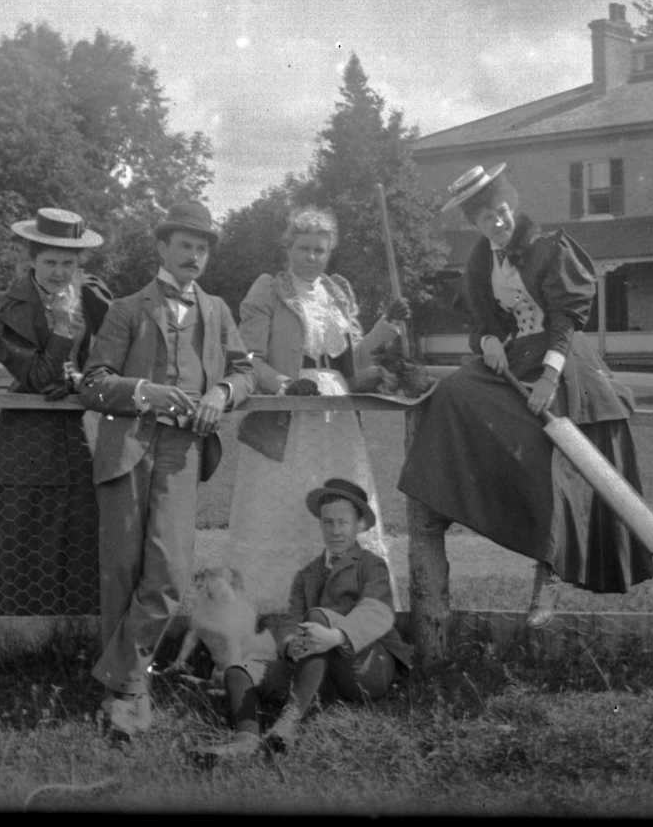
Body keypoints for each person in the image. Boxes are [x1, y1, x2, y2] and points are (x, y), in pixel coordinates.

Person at [398, 163, 653, 627]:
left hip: (563, 359)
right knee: (452, 392)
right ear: (475, 224)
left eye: (500, 212)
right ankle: (442, 500)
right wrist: (488, 342)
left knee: (548, 458)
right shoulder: (480, 260)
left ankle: (548, 576)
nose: (497, 223)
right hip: (514, 356)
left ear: (510, 203)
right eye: (485, 219)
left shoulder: (549, 248)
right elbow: (481, 320)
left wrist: (549, 379)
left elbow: (566, 320)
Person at [76, 201, 255, 738]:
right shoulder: (128, 308)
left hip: (184, 454)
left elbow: (245, 370)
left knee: (171, 575)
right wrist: (143, 390)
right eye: (185, 245)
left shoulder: (218, 310)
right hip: (126, 449)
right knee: (122, 574)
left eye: (202, 248)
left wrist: (222, 392)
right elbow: (92, 381)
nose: (194, 256)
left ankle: (122, 680)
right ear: (162, 248)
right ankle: (129, 697)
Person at [223, 205, 408, 612]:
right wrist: (286, 385)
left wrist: (386, 327)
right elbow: (247, 358)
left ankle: (344, 607)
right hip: (287, 411)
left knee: (337, 499)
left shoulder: (337, 292)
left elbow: (352, 362)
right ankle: (269, 609)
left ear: (330, 253)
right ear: (288, 248)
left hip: (337, 412)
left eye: (320, 250)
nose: (312, 257)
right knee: (285, 506)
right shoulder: (268, 289)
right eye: (304, 248)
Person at [194, 478, 413, 762]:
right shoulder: (307, 574)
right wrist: (288, 645)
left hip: (366, 667)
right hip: (315, 672)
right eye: (328, 522)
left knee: (316, 618)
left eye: (343, 523)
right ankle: (245, 738)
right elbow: (291, 620)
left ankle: (289, 723)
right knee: (239, 671)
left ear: (359, 524)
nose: (335, 531)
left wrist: (337, 637)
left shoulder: (372, 566)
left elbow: (377, 611)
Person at [0, 207, 111, 617]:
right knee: (18, 534)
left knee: (79, 529)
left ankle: (70, 636)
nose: (59, 272)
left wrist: (87, 375)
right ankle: (8, 637)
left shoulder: (93, 295)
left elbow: (116, 349)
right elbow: (36, 378)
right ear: (32, 259)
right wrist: (65, 329)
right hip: (24, 437)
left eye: (68, 263)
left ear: (80, 263)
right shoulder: (6, 307)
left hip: (70, 435)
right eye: (49, 262)